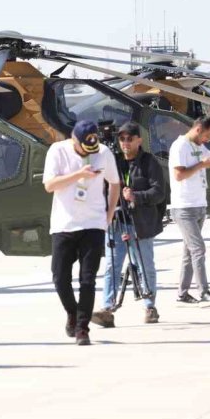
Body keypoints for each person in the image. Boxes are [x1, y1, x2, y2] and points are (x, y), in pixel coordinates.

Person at [43, 120, 121, 345]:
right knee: (59, 278)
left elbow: (114, 183)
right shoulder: (57, 150)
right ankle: (73, 312)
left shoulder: (103, 153)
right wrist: (78, 175)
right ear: (74, 140)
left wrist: (109, 213)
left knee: (87, 280)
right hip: (64, 224)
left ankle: (82, 329)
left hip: (93, 223)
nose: (90, 153)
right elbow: (50, 185)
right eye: (84, 148)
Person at [91, 122, 167, 327]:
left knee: (145, 266)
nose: (125, 142)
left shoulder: (149, 162)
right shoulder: (114, 162)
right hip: (116, 222)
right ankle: (107, 308)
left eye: (129, 138)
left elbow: (159, 192)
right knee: (111, 268)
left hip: (140, 224)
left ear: (139, 140)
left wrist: (136, 196)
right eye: (122, 138)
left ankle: (150, 307)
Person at [169, 115, 210, 306]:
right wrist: (202, 164)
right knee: (198, 249)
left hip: (199, 205)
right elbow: (178, 174)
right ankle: (203, 292)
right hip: (184, 207)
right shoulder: (181, 146)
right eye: (208, 136)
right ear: (198, 129)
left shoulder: (199, 146)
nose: (208, 140)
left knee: (189, 252)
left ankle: (182, 293)